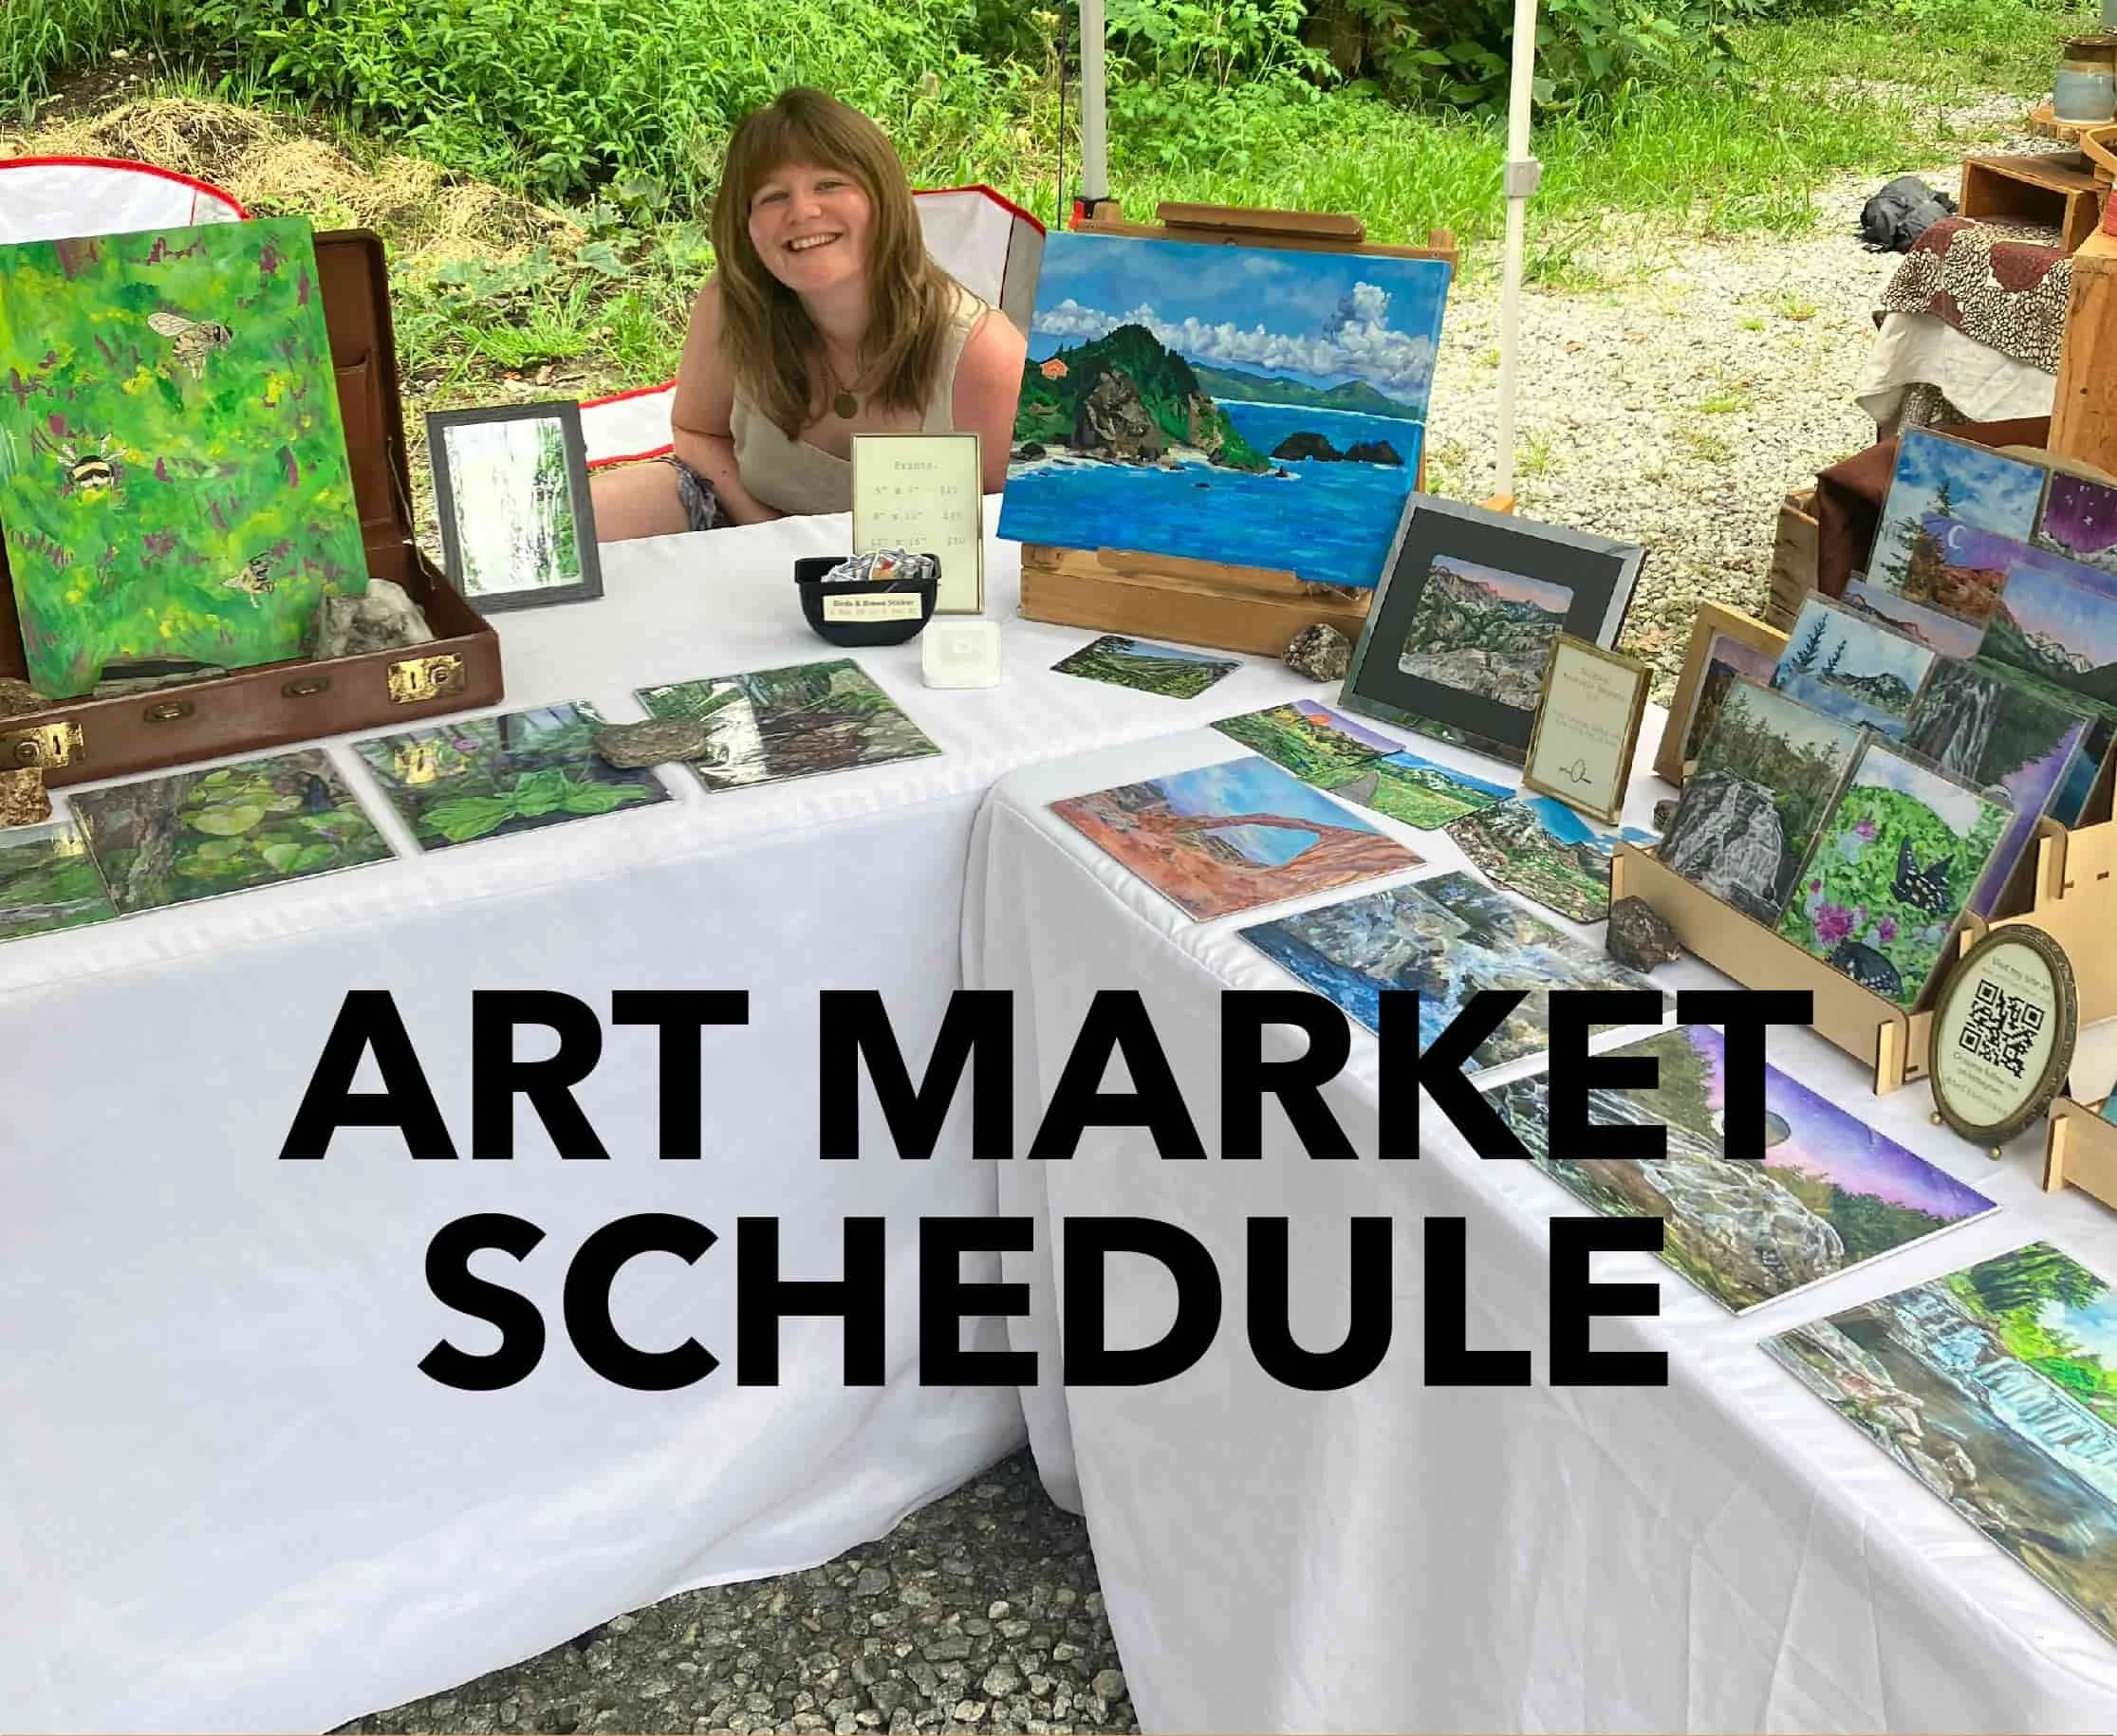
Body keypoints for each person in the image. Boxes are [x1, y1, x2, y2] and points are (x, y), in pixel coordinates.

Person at [590, 87, 1027, 541]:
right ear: (746, 226)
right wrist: (772, 538)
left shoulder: (981, 352)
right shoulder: (733, 304)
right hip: (749, 526)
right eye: (774, 196)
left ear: (884, 202)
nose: (802, 211)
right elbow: (697, 432)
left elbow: (1029, 537)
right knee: (569, 532)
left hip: (920, 583)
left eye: (829, 184)